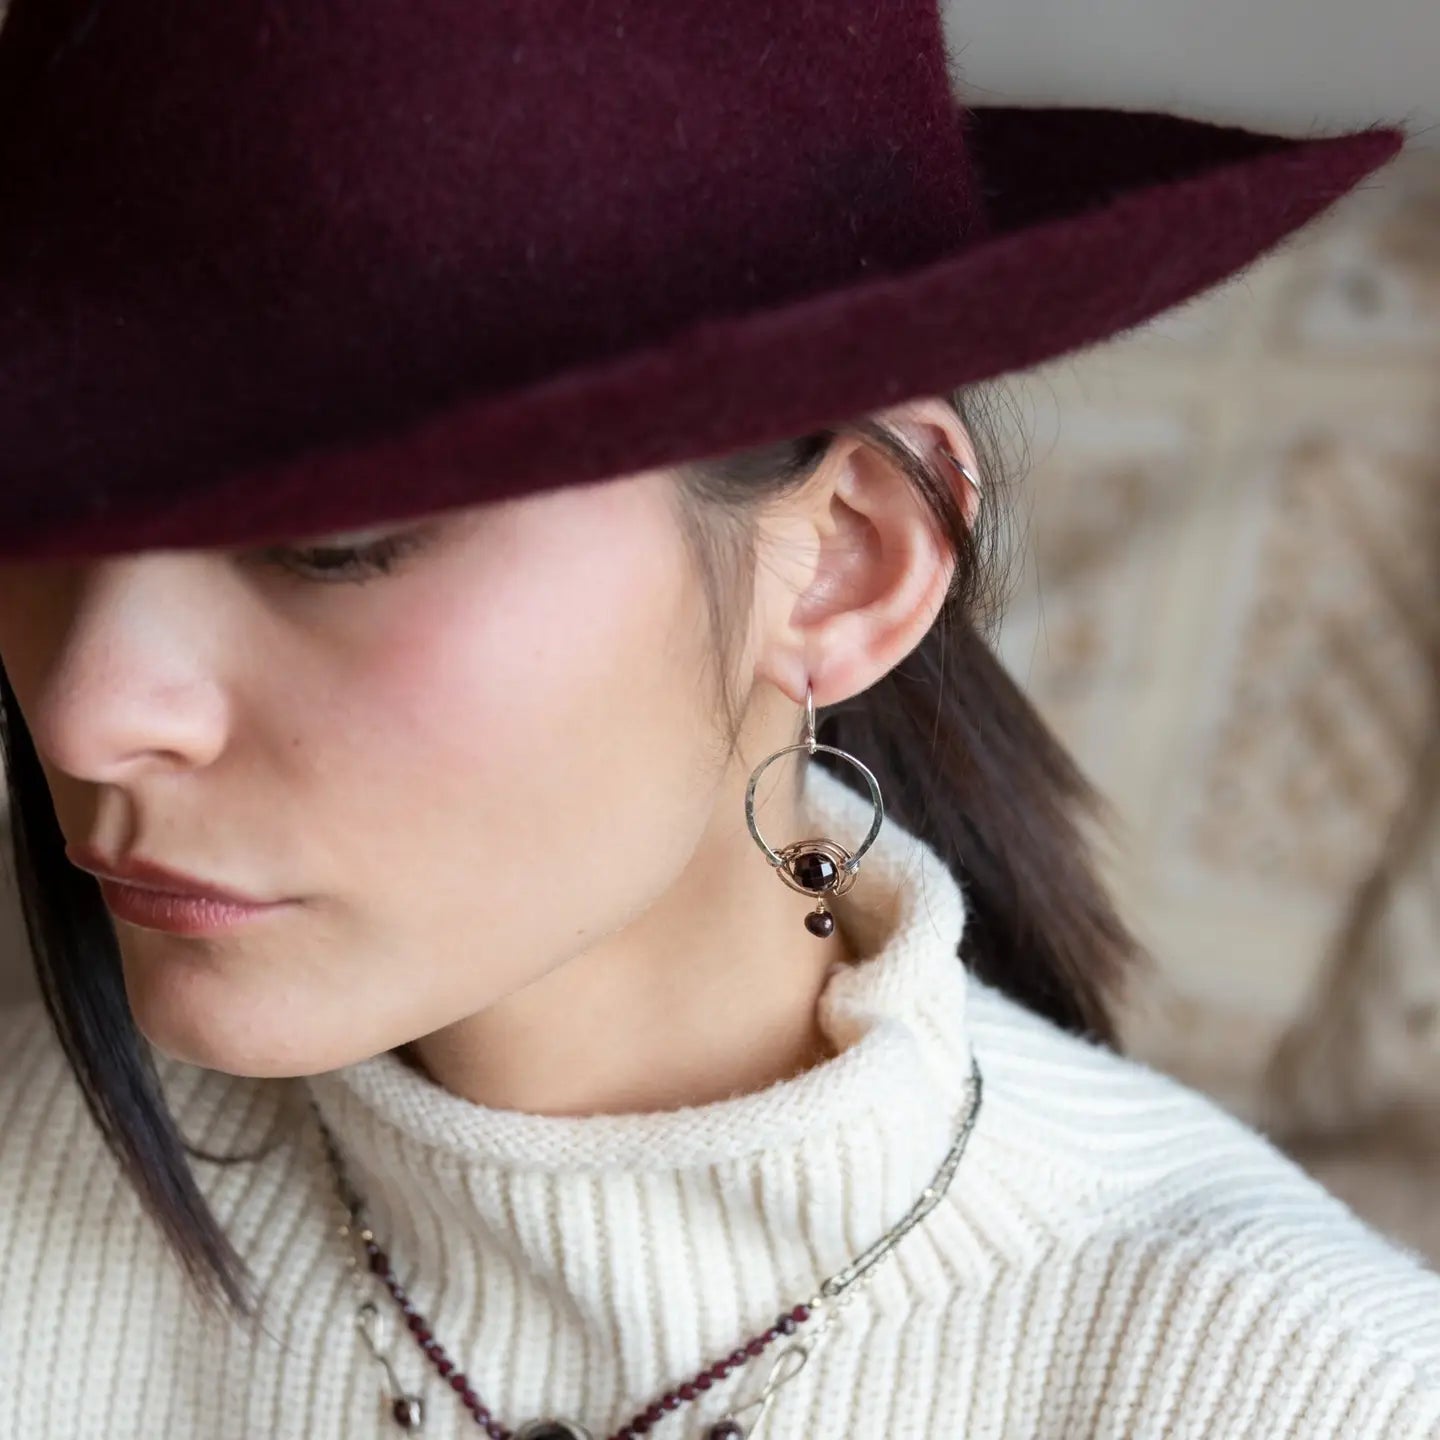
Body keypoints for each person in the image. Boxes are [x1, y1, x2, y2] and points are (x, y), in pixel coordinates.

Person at [0, 1, 1436, 1437]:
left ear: (849, 560)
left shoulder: (1306, 1391)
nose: (84, 712)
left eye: (329, 542)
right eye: (34, 515)